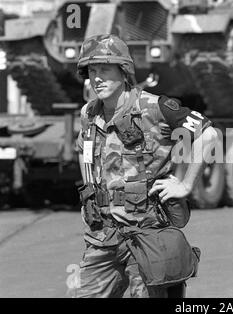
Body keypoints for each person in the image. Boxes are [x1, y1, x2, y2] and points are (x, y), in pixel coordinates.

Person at [71, 34, 217, 298]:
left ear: (124, 71)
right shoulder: (88, 114)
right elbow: (85, 151)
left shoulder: (154, 107)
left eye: (104, 69)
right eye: (92, 71)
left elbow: (208, 135)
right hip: (103, 239)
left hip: (147, 236)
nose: (97, 78)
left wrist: (185, 185)